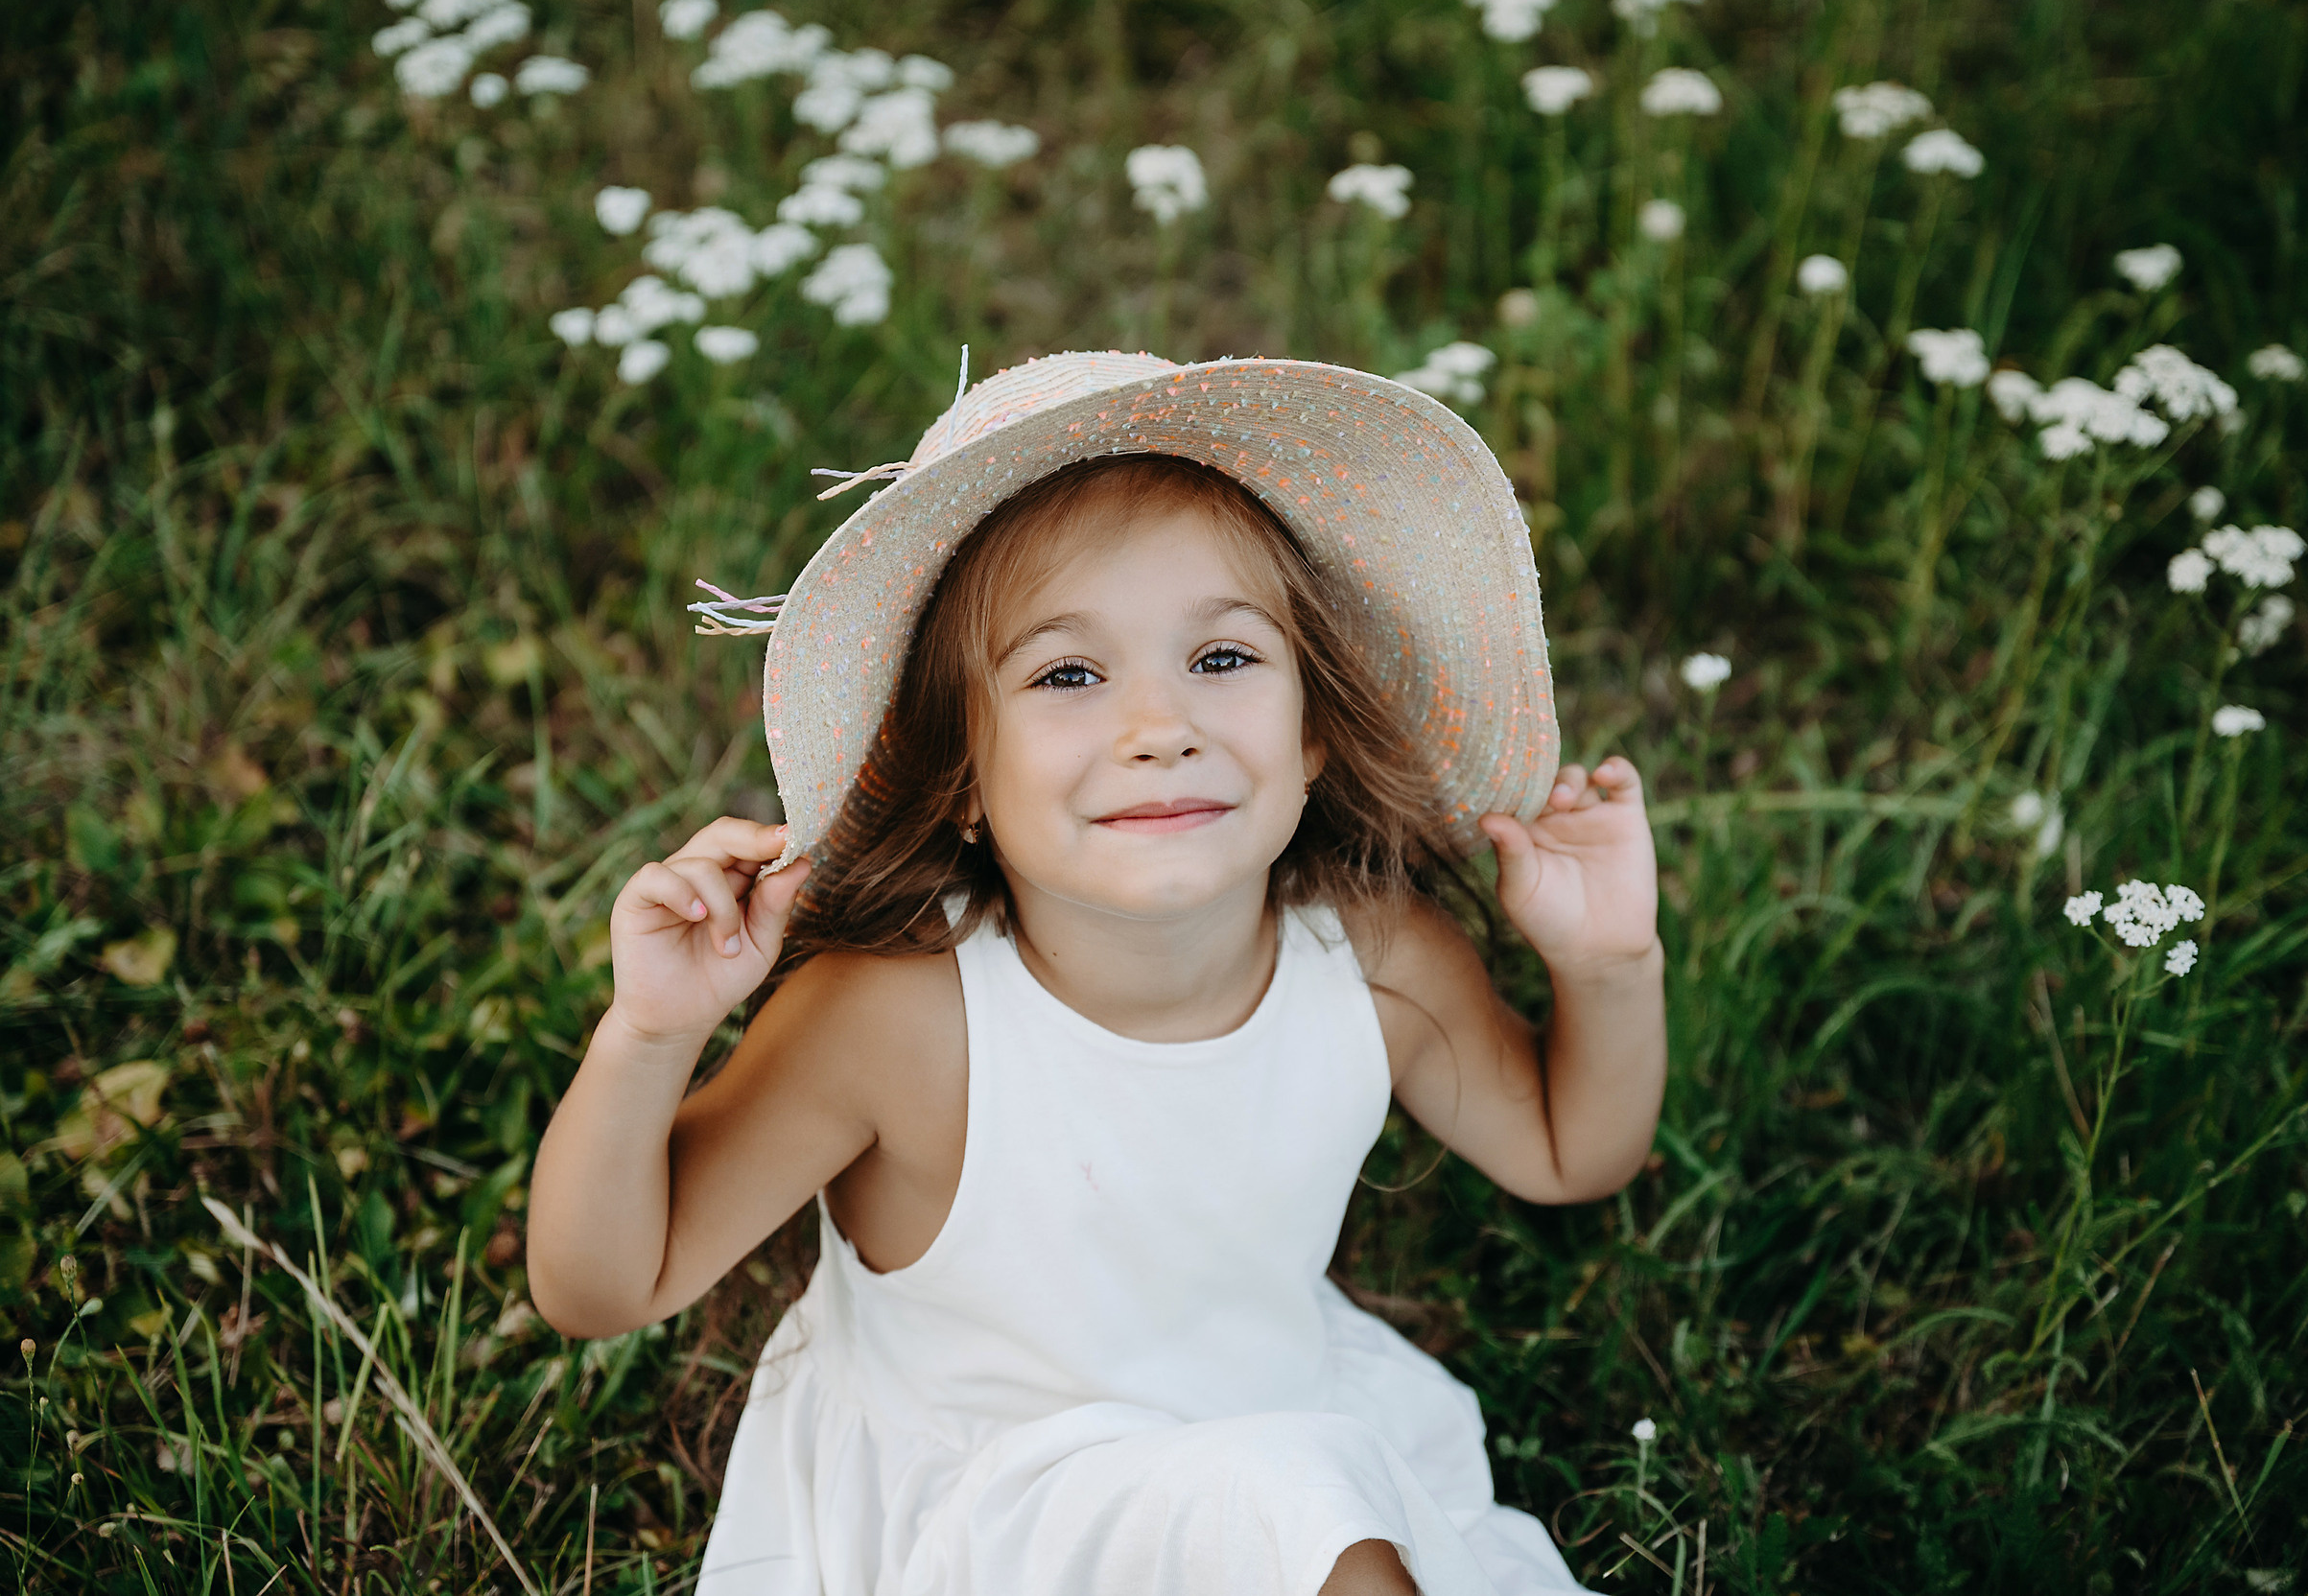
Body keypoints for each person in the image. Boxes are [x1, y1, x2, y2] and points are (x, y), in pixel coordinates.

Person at [527, 351, 1667, 1596]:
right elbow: (603, 1285)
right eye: (1069, 675)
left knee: (1293, 1497)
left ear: (1314, 732)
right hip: (987, 1508)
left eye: (1223, 660)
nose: (1158, 725)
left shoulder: (1373, 959)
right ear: (961, 773)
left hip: (1261, 1415)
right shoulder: (900, 1015)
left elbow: (1570, 1150)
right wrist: (651, 1031)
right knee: (1301, 1510)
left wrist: (1609, 964)